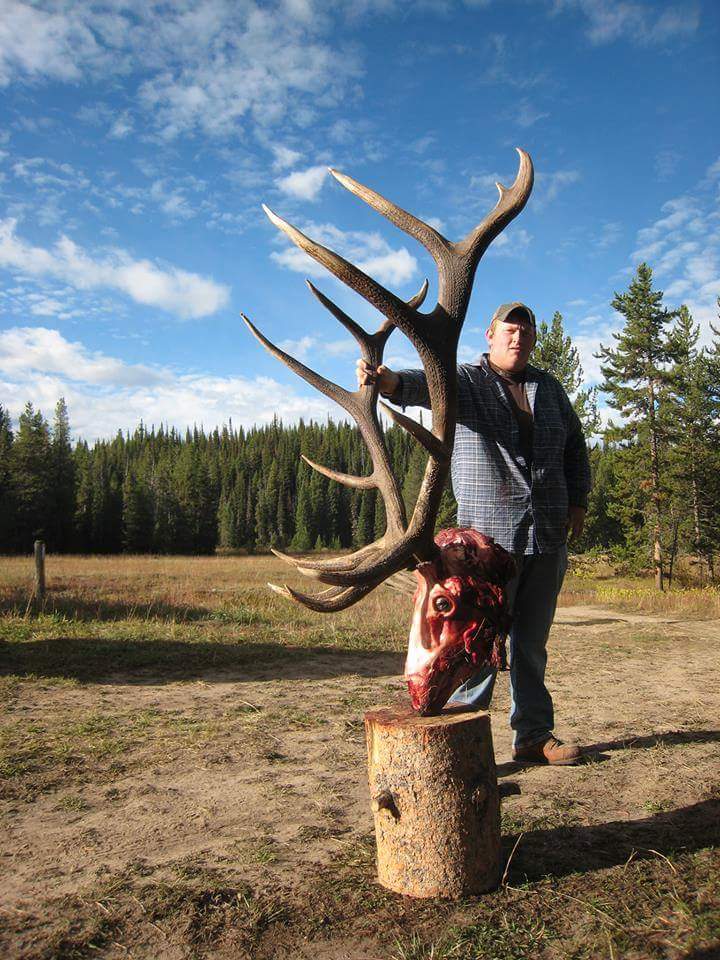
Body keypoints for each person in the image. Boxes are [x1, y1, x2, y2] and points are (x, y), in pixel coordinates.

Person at [356, 302, 592, 765]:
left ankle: (533, 736)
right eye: (510, 329)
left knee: (530, 644)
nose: (518, 337)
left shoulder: (550, 389)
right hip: (487, 545)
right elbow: (425, 385)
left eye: (526, 330)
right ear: (490, 335)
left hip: (545, 535)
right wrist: (389, 382)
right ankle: (468, 743)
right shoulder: (468, 381)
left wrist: (578, 501)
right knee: (475, 642)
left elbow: (574, 447)